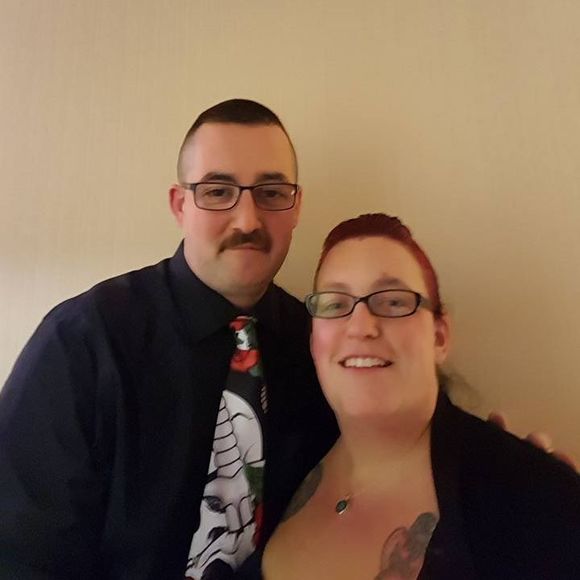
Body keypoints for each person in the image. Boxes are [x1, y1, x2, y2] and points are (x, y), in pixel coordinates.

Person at [0, 100, 574, 579]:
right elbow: (22, 553)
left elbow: (399, 434)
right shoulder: (83, 344)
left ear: (296, 206)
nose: (247, 219)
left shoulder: (320, 345)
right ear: (180, 205)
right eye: (218, 191)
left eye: (272, 192)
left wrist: (511, 476)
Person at [262, 213, 580, 579]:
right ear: (313, 341)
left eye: (394, 302)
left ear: (439, 338)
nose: (361, 327)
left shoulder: (531, 499)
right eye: (335, 304)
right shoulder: (285, 457)